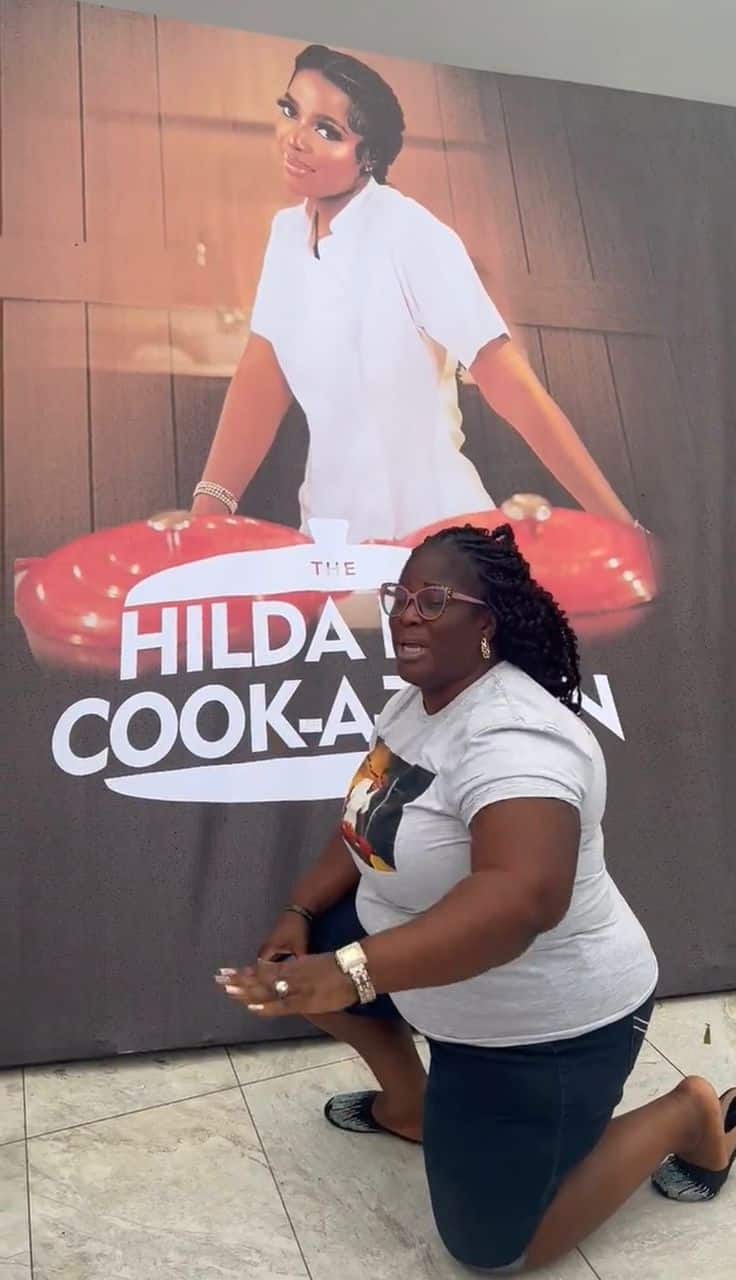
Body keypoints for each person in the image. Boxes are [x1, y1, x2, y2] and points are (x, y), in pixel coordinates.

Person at [217, 523, 736, 1273]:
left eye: (431, 600)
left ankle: (687, 1115)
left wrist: (351, 971)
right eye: (399, 597)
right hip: (435, 976)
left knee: (494, 1252)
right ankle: (409, 1106)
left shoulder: (519, 739)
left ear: (486, 623)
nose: (405, 615)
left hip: (543, 1022)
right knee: (308, 964)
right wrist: (299, 914)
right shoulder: (418, 703)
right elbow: (367, 820)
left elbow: (522, 899)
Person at [193, 44, 636, 543]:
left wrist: (621, 529)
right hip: (331, 543)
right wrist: (208, 510)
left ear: (368, 156)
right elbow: (263, 373)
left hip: (440, 540)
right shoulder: (286, 235)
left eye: (327, 131)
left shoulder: (411, 234)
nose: (295, 139)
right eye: (291, 111)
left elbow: (510, 384)